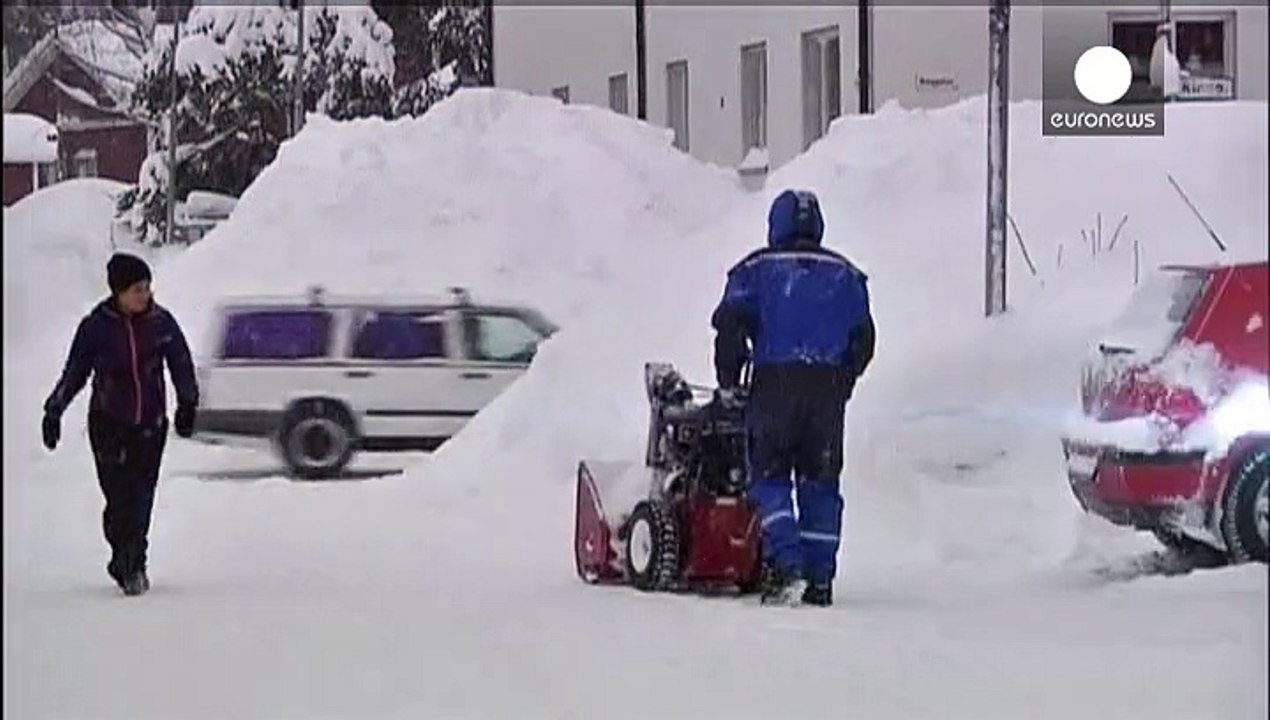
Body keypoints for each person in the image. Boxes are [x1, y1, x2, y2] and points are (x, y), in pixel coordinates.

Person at [711, 189, 875, 607]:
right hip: (827, 394)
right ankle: (820, 578)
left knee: (770, 477)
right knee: (820, 481)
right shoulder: (847, 275)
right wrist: (844, 379)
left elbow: (729, 327)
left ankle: (787, 569)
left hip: (775, 386)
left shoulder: (756, 270)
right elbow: (864, 339)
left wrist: (729, 381)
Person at [41, 252, 200, 597]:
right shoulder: (96, 327)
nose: (144, 295)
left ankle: (134, 565)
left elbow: (181, 363)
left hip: (150, 425)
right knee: (119, 501)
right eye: (137, 289)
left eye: (147, 287)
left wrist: (188, 403)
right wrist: (54, 410)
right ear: (118, 292)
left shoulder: (161, 323)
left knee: (142, 498)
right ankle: (121, 553)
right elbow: (75, 373)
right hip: (109, 424)